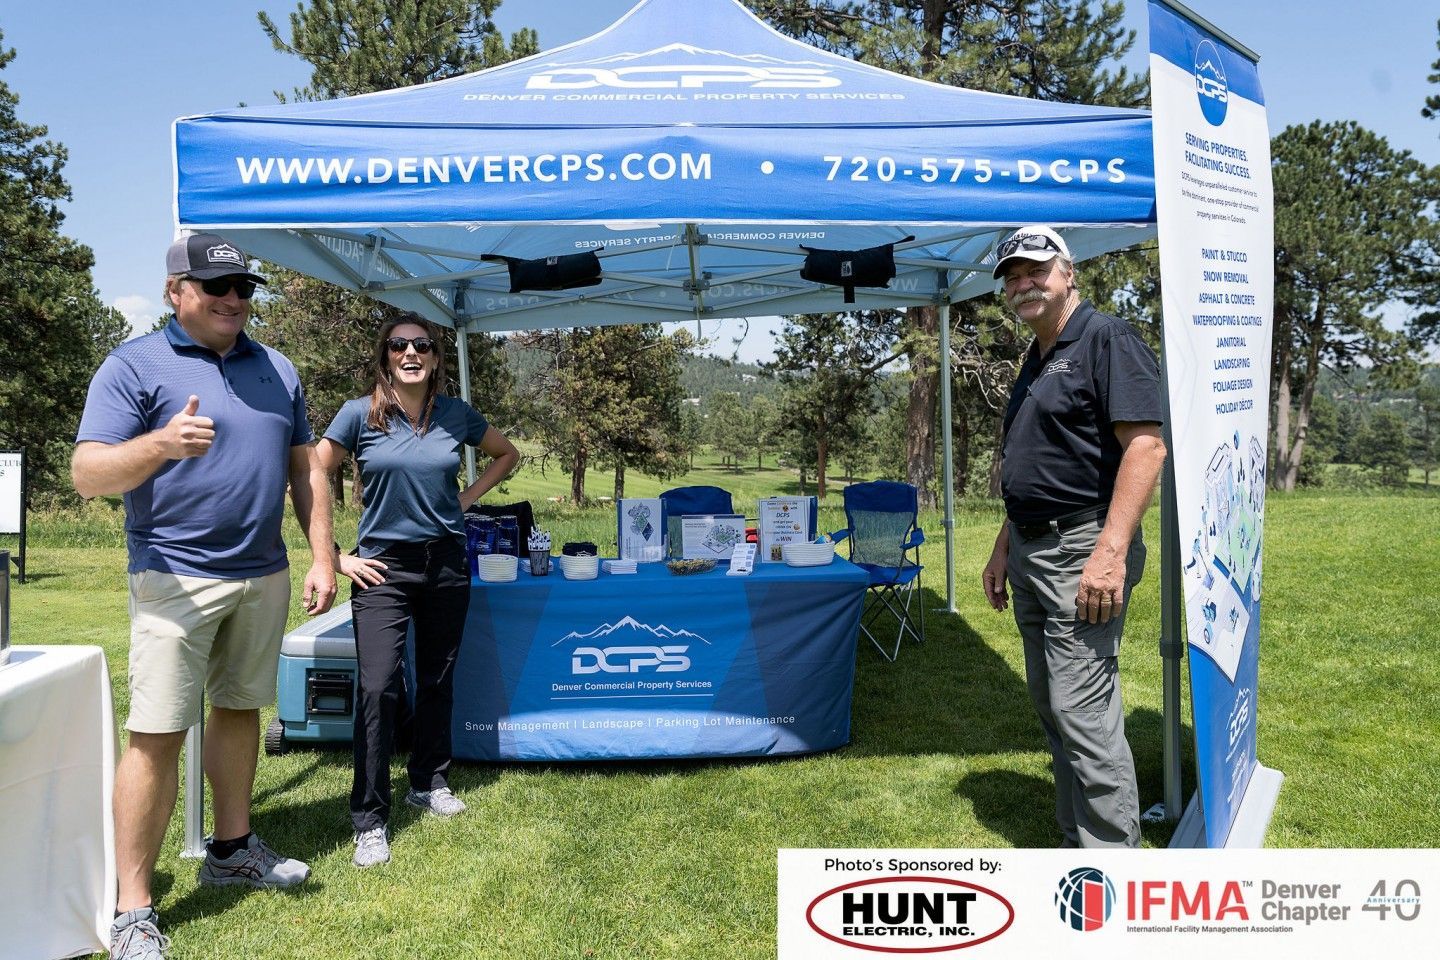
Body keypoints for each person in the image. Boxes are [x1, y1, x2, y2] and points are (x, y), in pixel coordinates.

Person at [73, 234, 337, 960]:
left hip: (262, 572)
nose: (234, 299)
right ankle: (134, 907)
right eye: (217, 285)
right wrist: (159, 444)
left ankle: (231, 849)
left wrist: (321, 555)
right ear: (175, 292)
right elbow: (88, 473)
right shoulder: (131, 365)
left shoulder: (277, 367)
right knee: (157, 733)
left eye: (245, 287)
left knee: (240, 708)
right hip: (173, 576)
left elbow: (306, 473)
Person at [980, 226, 1167, 849]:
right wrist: (1005, 544)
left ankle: (1115, 867)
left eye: (1035, 270)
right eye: (1011, 275)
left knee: (1084, 715)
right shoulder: (1037, 357)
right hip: (1034, 548)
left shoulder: (1106, 338)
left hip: (1082, 549)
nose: (1022, 283)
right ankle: (1075, 845)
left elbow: (1146, 446)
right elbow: (1039, 459)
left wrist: (1110, 553)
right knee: (1055, 709)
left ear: (1068, 274)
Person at [317, 314, 518, 869]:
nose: (410, 353)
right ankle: (370, 819)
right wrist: (333, 556)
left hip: (447, 563)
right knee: (379, 687)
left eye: (421, 346)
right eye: (399, 346)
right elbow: (312, 472)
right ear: (385, 356)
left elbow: (508, 453)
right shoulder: (358, 414)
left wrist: (465, 500)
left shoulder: (456, 415)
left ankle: (428, 782)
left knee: (436, 678)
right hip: (382, 569)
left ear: (435, 358)